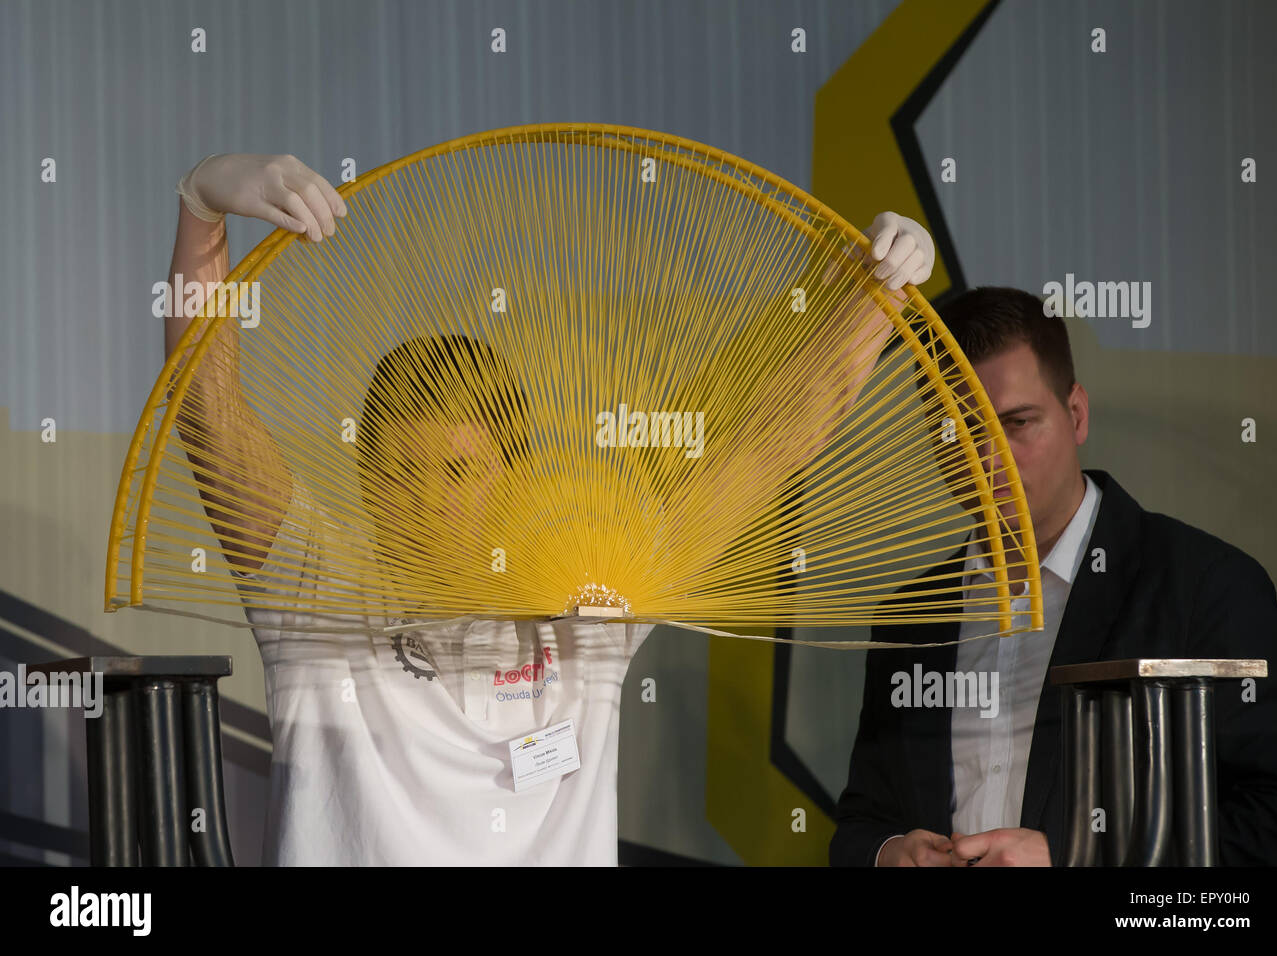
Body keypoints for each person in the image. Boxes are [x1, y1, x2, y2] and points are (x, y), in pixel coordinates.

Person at [165, 152, 935, 864]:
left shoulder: (591, 609)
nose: (427, 500)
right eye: (399, 471)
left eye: (459, 469)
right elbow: (206, 409)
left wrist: (875, 296)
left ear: (513, 477)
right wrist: (202, 207)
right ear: (363, 479)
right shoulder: (313, 593)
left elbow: (771, 443)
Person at [829, 285, 1277, 867]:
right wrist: (887, 854)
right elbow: (860, 822)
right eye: (960, 431)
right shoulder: (909, 618)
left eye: (1018, 423)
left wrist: (1076, 858)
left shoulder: (1205, 586)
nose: (988, 459)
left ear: (1075, 414)